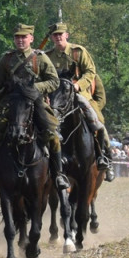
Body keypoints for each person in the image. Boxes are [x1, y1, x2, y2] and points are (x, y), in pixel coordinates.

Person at [0, 23, 68, 192]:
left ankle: (58, 174)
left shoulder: (41, 58)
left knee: (53, 135)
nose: (20, 40)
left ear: (31, 38)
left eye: (23, 37)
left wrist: (34, 89)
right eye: (17, 37)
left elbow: (54, 81)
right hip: (10, 104)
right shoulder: (6, 58)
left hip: (36, 104)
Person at [45, 22, 114, 180]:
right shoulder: (47, 56)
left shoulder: (78, 52)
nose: (58, 37)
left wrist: (78, 85)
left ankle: (105, 157)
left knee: (98, 122)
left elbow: (90, 72)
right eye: (55, 35)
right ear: (51, 38)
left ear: (66, 35)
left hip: (78, 94)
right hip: (55, 96)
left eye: (60, 34)